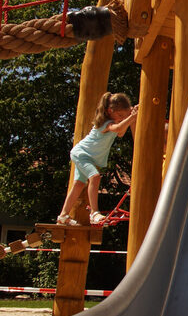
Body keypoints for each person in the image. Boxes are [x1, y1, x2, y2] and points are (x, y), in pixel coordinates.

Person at [56, 92, 138, 226]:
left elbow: (121, 132)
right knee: (95, 177)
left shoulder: (115, 123)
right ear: (110, 111)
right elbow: (118, 128)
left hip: (87, 157)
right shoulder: (105, 123)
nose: (121, 118)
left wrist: (131, 116)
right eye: (119, 115)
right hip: (81, 154)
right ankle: (94, 212)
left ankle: (63, 216)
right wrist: (130, 117)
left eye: (123, 116)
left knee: (79, 184)